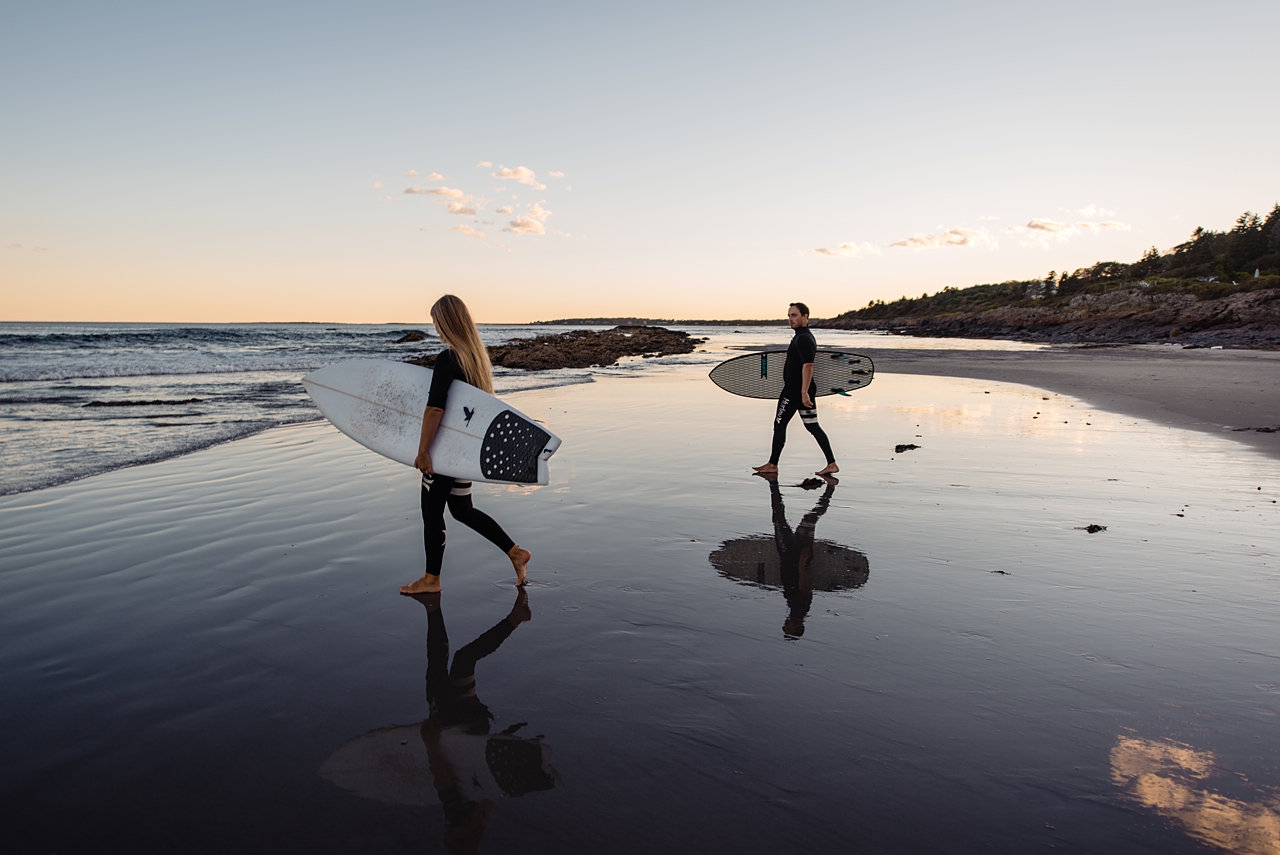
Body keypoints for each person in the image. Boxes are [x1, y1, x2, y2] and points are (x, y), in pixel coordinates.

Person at [400, 295, 531, 595]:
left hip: (445, 452)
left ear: (447, 321)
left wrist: (423, 451)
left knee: (432, 512)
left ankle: (431, 579)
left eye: (436, 320)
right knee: (461, 509)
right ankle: (515, 553)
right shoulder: (475, 361)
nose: (434, 326)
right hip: (464, 450)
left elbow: (435, 409)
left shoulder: (448, 359)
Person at [753, 302, 839, 477]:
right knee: (813, 426)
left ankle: (772, 464)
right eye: (789, 316)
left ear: (805, 317)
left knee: (779, 424)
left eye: (794, 315)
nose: (790, 319)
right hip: (802, 391)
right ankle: (832, 464)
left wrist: (803, 392)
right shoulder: (801, 336)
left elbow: (808, 366)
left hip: (794, 392)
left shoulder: (804, 338)